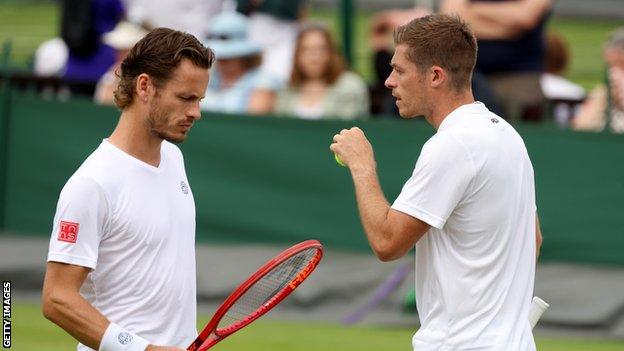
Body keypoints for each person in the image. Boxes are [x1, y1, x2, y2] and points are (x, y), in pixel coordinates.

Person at [330, 14, 542, 350]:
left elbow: (388, 243)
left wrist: (362, 165)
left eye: (399, 70)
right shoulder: (507, 135)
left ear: (435, 76)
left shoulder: (453, 144)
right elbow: (534, 239)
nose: (388, 81)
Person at [42, 28, 214, 351]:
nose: (196, 112)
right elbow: (56, 298)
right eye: (186, 98)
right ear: (145, 86)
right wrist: (142, 349)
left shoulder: (174, 159)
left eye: (199, 100)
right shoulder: (91, 184)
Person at [441, 0, 553, 121]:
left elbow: (524, 17)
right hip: (466, 74)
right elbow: (450, 17)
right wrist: (508, 24)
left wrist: (473, 10)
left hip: (518, 75)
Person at [275, 24, 369, 120]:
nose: (314, 57)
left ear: (331, 52)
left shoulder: (351, 85)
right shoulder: (287, 86)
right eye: (306, 50)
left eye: (321, 49)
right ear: (297, 55)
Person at [200, 11, 280, 115]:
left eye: (229, 55)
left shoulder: (264, 82)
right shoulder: (206, 78)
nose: (222, 58)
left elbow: (253, 124)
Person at [573, 27, 624, 133]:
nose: (613, 70)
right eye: (610, 64)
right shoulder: (604, 88)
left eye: (617, 62)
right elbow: (581, 124)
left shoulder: (617, 79)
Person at [94, 21, 149, 105]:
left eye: (125, 50)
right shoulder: (111, 74)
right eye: (119, 50)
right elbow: (102, 101)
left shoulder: (148, 76)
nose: (120, 55)